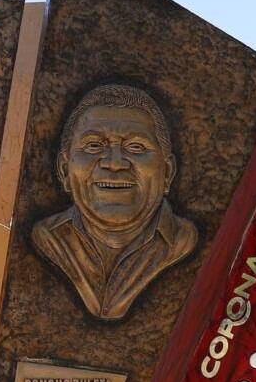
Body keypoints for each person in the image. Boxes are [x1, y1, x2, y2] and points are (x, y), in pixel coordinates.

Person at [32, 83, 197, 321]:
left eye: (136, 147)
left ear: (168, 173)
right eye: (93, 146)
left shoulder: (184, 242)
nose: (115, 163)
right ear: (63, 170)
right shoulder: (46, 238)